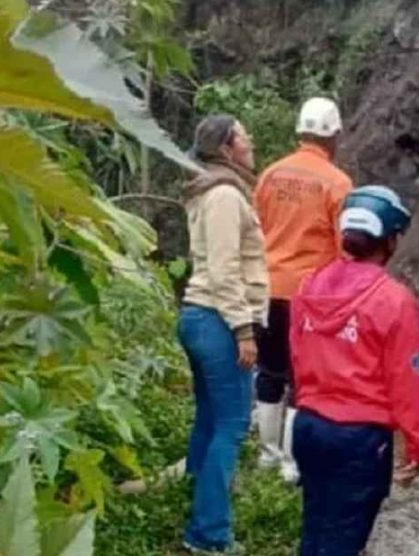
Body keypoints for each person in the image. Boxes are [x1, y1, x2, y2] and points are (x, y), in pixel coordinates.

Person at [289, 185, 419, 556]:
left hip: (308, 428)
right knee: (343, 540)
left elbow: (297, 356)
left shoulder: (310, 284)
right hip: (358, 439)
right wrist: (418, 444)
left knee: (315, 529)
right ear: (388, 239)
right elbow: (407, 381)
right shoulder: (395, 300)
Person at [178, 114, 267, 555]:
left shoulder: (209, 188)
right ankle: (209, 534)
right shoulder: (225, 195)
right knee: (232, 425)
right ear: (229, 148)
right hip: (217, 319)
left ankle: (196, 500)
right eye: (247, 138)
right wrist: (244, 329)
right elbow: (225, 270)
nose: (252, 145)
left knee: (212, 418)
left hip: (201, 317)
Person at [252, 97, 353, 482]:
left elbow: (255, 229)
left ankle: (267, 455)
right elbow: (346, 246)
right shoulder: (337, 183)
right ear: (333, 135)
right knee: (303, 378)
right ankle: (292, 466)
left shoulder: (271, 175)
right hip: (311, 296)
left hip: (267, 287)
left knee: (269, 371)